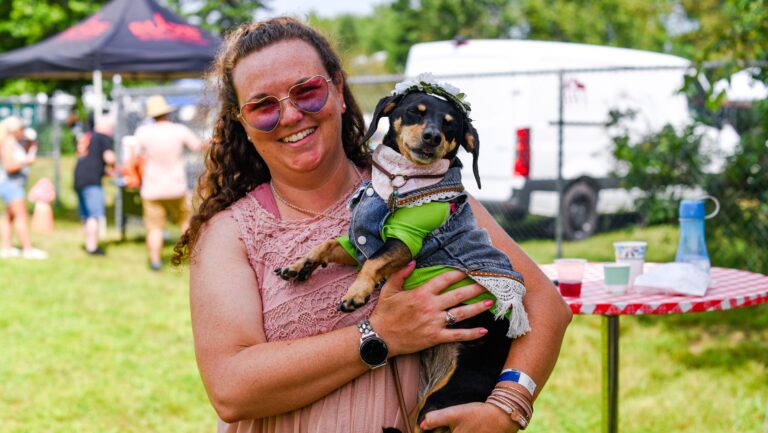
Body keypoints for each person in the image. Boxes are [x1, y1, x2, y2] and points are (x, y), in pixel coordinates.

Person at [172, 17, 571, 433]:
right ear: (243, 122)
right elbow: (231, 390)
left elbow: (546, 306)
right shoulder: (230, 232)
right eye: (263, 106)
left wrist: (509, 405)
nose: (290, 115)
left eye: (306, 92)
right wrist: (379, 334)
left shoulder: (427, 189)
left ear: (339, 92)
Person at [134, 95, 202, 271]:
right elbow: (197, 146)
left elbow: (135, 156)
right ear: (166, 113)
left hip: (152, 189)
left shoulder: (143, 132)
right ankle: (191, 259)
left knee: (154, 228)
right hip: (177, 187)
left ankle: (156, 262)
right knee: (184, 223)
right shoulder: (179, 130)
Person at [0, 116, 47, 259]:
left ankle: (6, 248)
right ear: (14, 130)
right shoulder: (7, 143)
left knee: (9, 216)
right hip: (11, 185)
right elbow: (9, 166)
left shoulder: (13, 142)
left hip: (12, 184)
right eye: (21, 128)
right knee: (21, 216)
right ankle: (27, 249)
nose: (23, 131)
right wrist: (27, 161)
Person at [73, 112, 116, 255]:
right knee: (94, 215)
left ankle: (88, 243)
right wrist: (115, 166)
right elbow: (109, 158)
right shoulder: (103, 137)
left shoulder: (87, 136)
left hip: (79, 178)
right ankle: (92, 247)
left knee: (86, 215)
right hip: (92, 181)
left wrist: (103, 171)